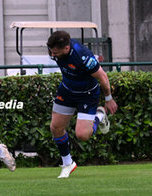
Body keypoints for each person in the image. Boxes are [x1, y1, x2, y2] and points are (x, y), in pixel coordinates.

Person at [46, 31, 118, 178]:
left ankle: (99, 115)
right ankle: (68, 163)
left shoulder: (83, 56)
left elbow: (103, 76)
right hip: (67, 91)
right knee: (55, 127)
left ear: (66, 49)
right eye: (52, 52)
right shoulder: (55, 50)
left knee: (82, 135)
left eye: (56, 53)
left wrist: (108, 98)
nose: (53, 55)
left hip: (87, 95)